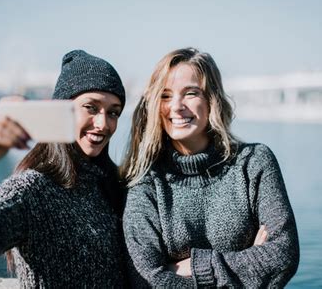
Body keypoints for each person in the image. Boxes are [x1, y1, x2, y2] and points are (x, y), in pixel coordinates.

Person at [122, 47, 299, 288]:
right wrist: (248, 266)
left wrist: (188, 267)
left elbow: (282, 255)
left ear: (211, 99)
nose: (176, 106)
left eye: (190, 93)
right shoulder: (147, 182)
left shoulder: (254, 162)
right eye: (165, 95)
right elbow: (146, 281)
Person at [0, 50, 127, 288]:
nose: (103, 123)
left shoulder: (114, 183)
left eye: (114, 112)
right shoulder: (32, 189)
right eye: (91, 107)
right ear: (62, 110)